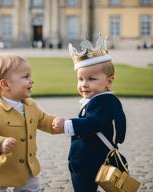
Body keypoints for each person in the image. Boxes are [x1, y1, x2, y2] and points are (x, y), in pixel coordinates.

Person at [52, 34, 127, 192]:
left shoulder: (104, 101)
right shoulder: (103, 100)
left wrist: (66, 125)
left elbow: (93, 123)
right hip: (92, 159)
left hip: (90, 161)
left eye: (91, 79)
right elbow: (120, 128)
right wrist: (117, 138)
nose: (84, 85)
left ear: (109, 80)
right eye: (80, 79)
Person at [0, 53, 59, 192]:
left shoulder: (30, 105)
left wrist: (56, 123)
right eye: (26, 77)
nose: (31, 81)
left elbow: (43, 119)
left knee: (32, 187)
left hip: (26, 166)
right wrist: (0, 143)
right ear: (5, 84)